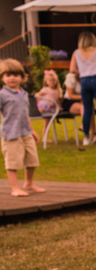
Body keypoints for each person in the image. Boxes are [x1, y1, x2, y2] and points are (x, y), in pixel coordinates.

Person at [0, 58, 45, 196]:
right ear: (2, 78)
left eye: (15, 75)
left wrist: (32, 130)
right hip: (11, 133)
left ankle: (28, 183)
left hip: (25, 132)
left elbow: (26, 115)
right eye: (8, 75)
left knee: (32, 160)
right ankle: (15, 188)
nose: (12, 78)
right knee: (12, 162)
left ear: (21, 77)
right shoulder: (2, 95)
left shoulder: (24, 94)